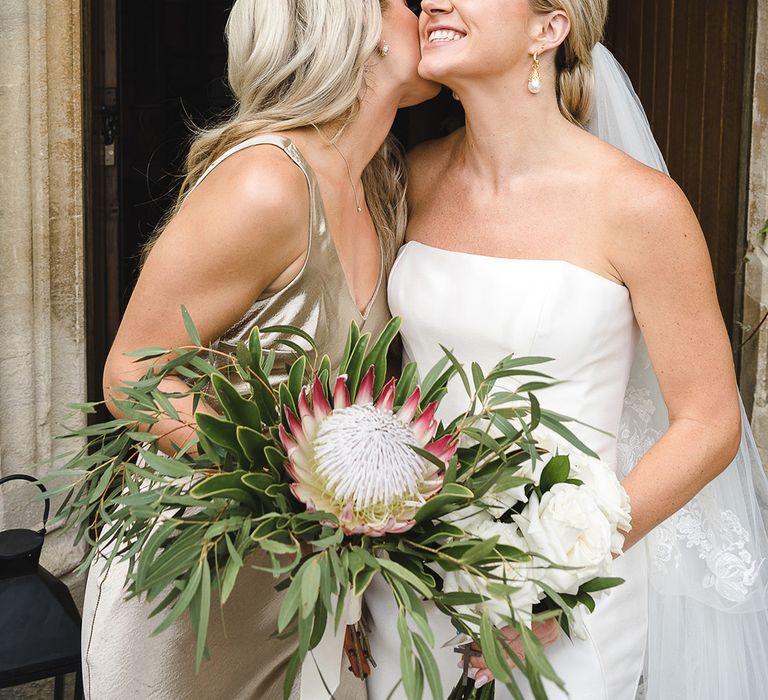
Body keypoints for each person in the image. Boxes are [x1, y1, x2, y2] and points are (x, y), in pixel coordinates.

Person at [365, 1, 768, 698]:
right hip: (412, 571)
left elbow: (709, 425)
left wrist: (559, 577)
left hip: (566, 593)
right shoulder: (412, 176)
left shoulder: (639, 206)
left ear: (547, 30)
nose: (433, 1)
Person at [81, 2, 438, 698]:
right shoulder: (267, 183)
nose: (424, 13)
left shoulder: (381, 184)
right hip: (198, 580)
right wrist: (290, 493)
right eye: (402, 3)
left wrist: (346, 566)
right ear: (352, 32)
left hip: (303, 575)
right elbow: (131, 373)